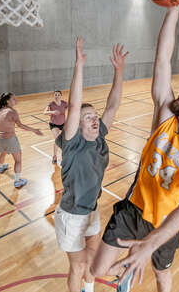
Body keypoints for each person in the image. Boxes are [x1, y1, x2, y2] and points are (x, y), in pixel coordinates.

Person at [90, 5, 179, 292]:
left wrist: (150, 244)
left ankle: (134, 268)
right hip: (133, 208)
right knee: (97, 269)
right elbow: (163, 57)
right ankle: (124, 279)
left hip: (164, 224)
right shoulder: (165, 113)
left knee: (162, 277)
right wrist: (174, 7)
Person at [54, 37, 129, 292]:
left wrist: (119, 71)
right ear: (77, 125)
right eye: (88, 118)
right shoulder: (73, 144)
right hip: (72, 215)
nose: (95, 119)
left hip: (92, 211)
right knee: (80, 265)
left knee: (91, 267)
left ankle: (89, 289)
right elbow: (74, 106)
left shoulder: (100, 138)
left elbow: (113, 104)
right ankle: (107, 276)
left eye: (95, 116)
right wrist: (79, 65)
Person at [0, 92, 43, 188]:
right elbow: (21, 125)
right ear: (7, 101)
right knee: (18, 160)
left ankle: (1, 168)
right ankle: (17, 181)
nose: (16, 100)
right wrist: (34, 130)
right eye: (13, 99)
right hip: (10, 139)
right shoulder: (12, 112)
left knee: (3, 152)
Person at [44, 90, 68, 164]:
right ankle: (54, 156)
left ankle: (64, 156)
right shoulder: (51, 104)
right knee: (57, 139)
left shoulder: (64, 103)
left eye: (58, 95)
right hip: (54, 124)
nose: (57, 96)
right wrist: (52, 112)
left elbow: (70, 108)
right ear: (54, 96)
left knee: (65, 140)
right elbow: (44, 112)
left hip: (63, 124)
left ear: (61, 96)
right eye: (55, 95)